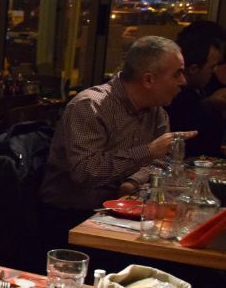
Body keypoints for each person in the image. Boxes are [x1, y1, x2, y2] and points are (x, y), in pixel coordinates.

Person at [40, 36, 196, 237]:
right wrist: (148, 151)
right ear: (148, 80)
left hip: (123, 212)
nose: (183, 81)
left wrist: (132, 182)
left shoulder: (156, 111)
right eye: (177, 74)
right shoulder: (90, 106)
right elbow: (86, 172)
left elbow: (161, 160)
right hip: (72, 215)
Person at [166, 21, 224, 157]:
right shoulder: (175, 97)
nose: (215, 71)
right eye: (212, 67)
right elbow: (202, 147)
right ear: (193, 69)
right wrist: (209, 107)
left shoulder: (199, 89)